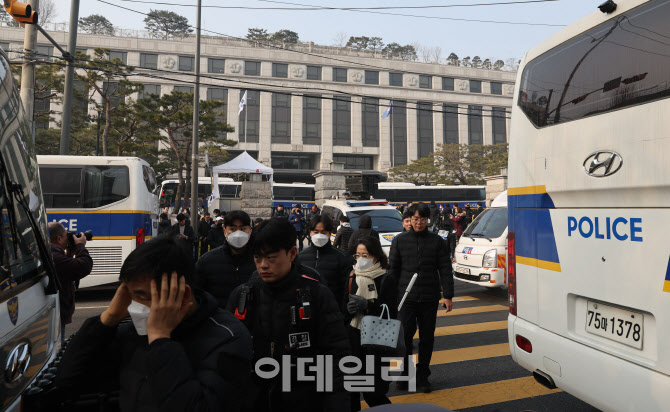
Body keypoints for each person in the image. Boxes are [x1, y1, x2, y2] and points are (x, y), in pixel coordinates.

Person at [54, 237, 252, 411]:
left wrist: (160, 340)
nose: (134, 306)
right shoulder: (134, 331)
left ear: (182, 295)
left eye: (142, 296)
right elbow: (68, 380)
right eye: (130, 294)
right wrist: (109, 319)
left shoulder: (228, 339)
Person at [226, 218, 350, 412]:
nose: (263, 265)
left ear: (292, 253)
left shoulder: (317, 295)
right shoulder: (243, 296)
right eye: (258, 258)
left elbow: (335, 360)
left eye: (271, 257)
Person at [389, 203, 454, 393]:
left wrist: (448, 295)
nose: (419, 223)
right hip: (406, 298)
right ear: (409, 220)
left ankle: (423, 376)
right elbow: (393, 271)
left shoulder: (437, 241)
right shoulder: (399, 241)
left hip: (429, 297)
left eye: (423, 219)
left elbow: (445, 269)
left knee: (427, 338)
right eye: (415, 219)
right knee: (405, 338)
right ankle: (406, 375)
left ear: (428, 220)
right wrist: (391, 296)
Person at [346, 236, 397, 411]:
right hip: (354, 337)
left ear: (376, 256)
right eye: (358, 255)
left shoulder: (385, 279)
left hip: (376, 342)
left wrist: (368, 305)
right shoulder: (352, 275)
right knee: (351, 390)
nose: (360, 260)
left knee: (373, 393)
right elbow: (344, 308)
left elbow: (391, 312)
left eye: (365, 255)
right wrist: (348, 309)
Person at [194, 211, 256, 308]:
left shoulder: (259, 261)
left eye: (243, 229)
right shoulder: (207, 261)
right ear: (224, 230)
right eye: (232, 229)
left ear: (250, 230)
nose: (238, 234)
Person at [49, 222, 93, 343]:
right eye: (66, 235)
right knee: (58, 348)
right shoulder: (54, 256)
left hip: (56, 312)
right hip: (57, 314)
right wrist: (80, 247)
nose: (69, 238)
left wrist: (69, 254)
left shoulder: (50, 253)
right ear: (58, 238)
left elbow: (67, 272)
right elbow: (84, 266)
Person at [299, 215, 352, 312]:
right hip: (308, 311)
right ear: (310, 233)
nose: (319, 235)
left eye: (323, 232)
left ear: (330, 233)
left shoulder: (342, 257)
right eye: (316, 232)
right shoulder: (301, 257)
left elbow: (345, 291)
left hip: (332, 311)